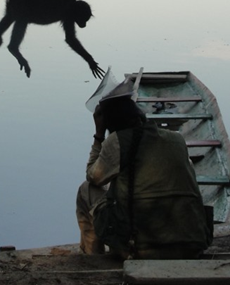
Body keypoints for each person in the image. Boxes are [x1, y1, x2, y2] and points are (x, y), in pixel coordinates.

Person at [76, 95, 212, 259]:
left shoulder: (118, 141)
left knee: (86, 190)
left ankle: (93, 258)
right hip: (192, 244)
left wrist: (99, 135)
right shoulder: (176, 139)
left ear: (109, 122)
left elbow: (93, 176)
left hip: (143, 250)